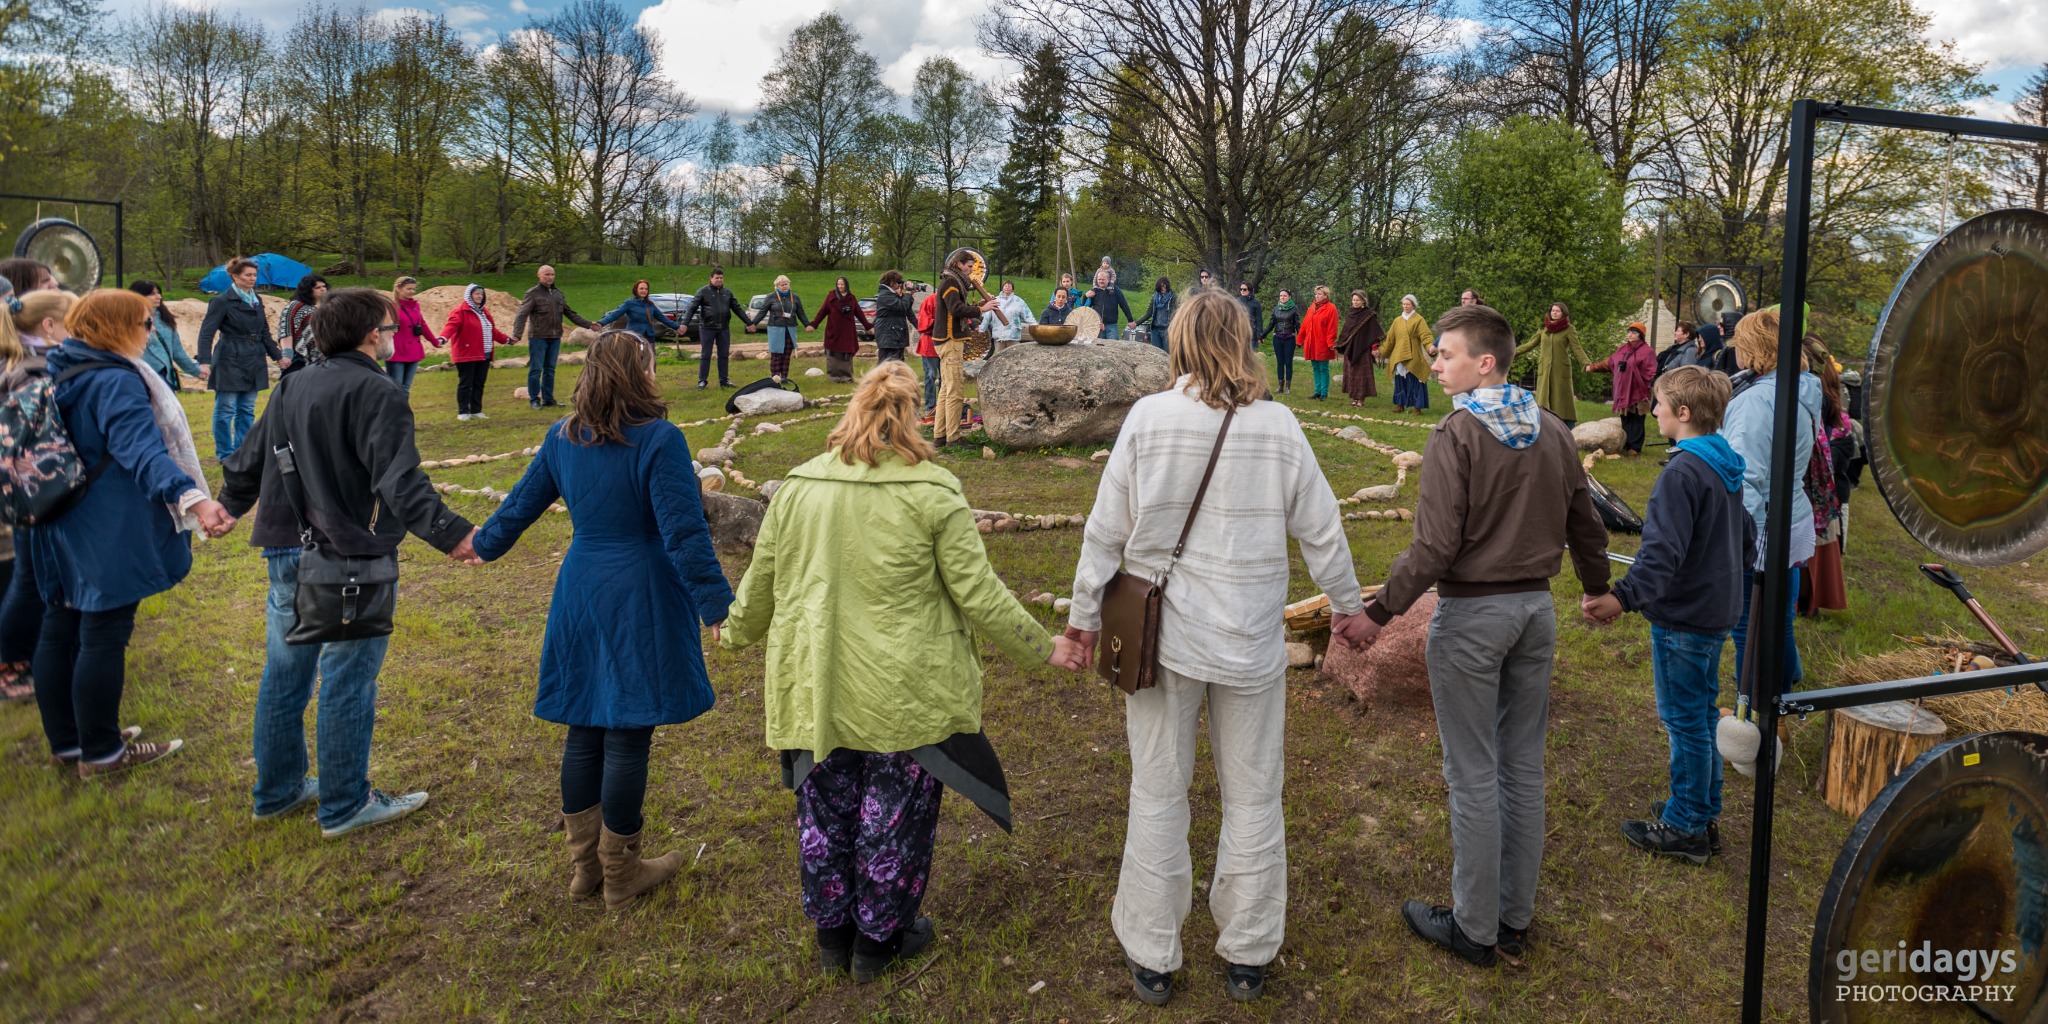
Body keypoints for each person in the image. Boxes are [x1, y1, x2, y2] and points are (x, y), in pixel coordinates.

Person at [725, 361, 1083, 980]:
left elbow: (761, 586)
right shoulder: (933, 490)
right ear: (912, 415)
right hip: (904, 694)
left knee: (826, 809)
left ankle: (836, 938)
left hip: (821, 684)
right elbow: (978, 592)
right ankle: (875, 941)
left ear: (853, 410)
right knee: (893, 815)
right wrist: (1042, 646)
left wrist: (733, 630)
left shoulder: (799, 488)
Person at [1064, 290, 1369, 1006]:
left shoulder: (1152, 419)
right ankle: (1248, 949)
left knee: (1160, 790)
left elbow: (1105, 532)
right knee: (1255, 794)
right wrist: (1349, 607)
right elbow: (1322, 528)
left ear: (1179, 341)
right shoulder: (1278, 425)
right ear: (1244, 341)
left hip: (1167, 641)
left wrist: (1083, 616)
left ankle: (1153, 950)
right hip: (1240, 639)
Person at [1352, 303, 1610, 969]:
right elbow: (1587, 524)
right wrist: (1596, 586)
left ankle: (1475, 928)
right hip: (1535, 614)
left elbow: (1435, 545)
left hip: (1474, 619)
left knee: (1473, 772)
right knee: (1521, 763)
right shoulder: (1552, 429)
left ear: (1485, 361)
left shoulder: (1457, 433)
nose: (1435, 364)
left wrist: (1378, 613)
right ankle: (1513, 917)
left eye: (1446, 354)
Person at [468, 331, 733, 905]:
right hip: (638, 590)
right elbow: (684, 533)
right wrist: (716, 602)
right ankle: (615, 873)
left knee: (585, 729)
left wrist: (484, 543)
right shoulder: (659, 440)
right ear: (643, 372)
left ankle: (588, 869)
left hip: (584, 588)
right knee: (626, 729)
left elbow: (518, 505)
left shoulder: (563, 437)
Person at [220, 286, 468, 835]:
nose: (392, 335)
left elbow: (248, 460)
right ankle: (344, 804)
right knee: (346, 678)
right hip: (346, 551)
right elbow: (399, 481)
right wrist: (454, 534)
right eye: (387, 327)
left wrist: (227, 506)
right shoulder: (377, 391)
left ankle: (279, 790)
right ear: (366, 334)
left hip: (287, 544)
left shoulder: (293, 386)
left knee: (287, 673)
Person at [31, 289, 234, 777]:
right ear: (116, 328)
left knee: (63, 627)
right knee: (103, 633)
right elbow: (140, 450)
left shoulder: (57, 363)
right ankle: (101, 751)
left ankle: (71, 742)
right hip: (105, 523)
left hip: (58, 514)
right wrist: (193, 497)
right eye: (146, 323)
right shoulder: (113, 380)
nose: (152, 332)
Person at [1582, 366, 1753, 864]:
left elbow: (1661, 555)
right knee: (1700, 714)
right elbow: (1743, 538)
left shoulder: (1682, 473)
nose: (1652, 410)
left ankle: (1685, 827)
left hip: (1686, 618)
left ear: (1683, 412)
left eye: (1658, 403)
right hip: (1716, 608)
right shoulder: (1725, 464)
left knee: (1685, 722)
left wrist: (1623, 596)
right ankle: (1700, 808)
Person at [1722, 309, 1821, 699]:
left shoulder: (1757, 401)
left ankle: (1757, 711)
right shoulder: (1803, 387)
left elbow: (1745, 476)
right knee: (1777, 619)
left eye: (1740, 346)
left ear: (1755, 349)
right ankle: (1781, 691)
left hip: (1759, 526)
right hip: (1788, 514)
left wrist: (1731, 539)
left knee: (1749, 624)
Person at [197, 258, 287, 460]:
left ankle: (244, 451)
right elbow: (206, 333)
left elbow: (264, 331)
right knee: (225, 409)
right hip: (229, 356)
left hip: (254, 357)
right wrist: (204, 360)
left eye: (254, 275)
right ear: (235, 276)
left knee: (247, 409)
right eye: (248, 275)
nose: (252, 279)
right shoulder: (221, 301)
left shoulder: (257, 300)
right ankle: (225, 453)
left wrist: (277, 356)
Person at [0, 295, 43, 703]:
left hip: (14, 484)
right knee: (21, 578)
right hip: (15, 484)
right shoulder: (15, 370)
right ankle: (10, 665)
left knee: (19, 575)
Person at [1799, 337, 1849, 617]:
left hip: (1814, 480)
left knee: (1809, 541)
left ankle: (1806, 599)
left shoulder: (1812, 392)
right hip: (1822, 483)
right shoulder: (1824, 389)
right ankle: (1808, 600)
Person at [931, 250, 998, 449]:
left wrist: (979, 304)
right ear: (959, 264)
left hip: (947, 340)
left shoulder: (952, 281)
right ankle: (953, 438)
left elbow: (960, 306)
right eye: (969, 267)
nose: (971, 271)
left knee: (945, 390)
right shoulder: (951, 282)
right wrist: (981, 310)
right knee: (955, 391)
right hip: (950, 341)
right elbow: (956, 309)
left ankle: (940, 435)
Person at [512, 264, 597, 408]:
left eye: (552, 274)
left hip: (555, 337)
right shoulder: (532, 293)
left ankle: (548, 399)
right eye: (547, 274)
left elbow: (570, 313)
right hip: (538, 337)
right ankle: (534, 400)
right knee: (536, 369)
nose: (550, 277)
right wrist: (517, 335)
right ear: (539, 275)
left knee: (550, 369)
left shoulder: (558, 294)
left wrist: (589, 325)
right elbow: (521, 315)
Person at [1514, 302, 1590, 427]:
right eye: (1553, 311)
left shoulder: (1569, 329)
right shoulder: (1544, 328)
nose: (1554, 313)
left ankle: (1566, 427)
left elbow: (1577, 348)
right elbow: (1530, 344)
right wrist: (1513, 352)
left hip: (1560, 370)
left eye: (1557, 311)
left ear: (1563, 313)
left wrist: (1586, 364)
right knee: (1543, 399)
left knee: (1561, 400)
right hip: (1544, 369)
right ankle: (1545, 426)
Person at [442, 284, 510, 421]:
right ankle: (463, 411)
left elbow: (492, 331)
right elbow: (451, 326)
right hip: (467, 354)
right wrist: (443, 338)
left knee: (479, 383)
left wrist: (507, 339)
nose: (480, 296)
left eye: (481, 294)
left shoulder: (484, 312)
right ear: (469, 295)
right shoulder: (460, 311)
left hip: (484, 353)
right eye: (476, 294)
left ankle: (476, 410)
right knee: (466, 383)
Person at [1587, 323, 1657, 455]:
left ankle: (1634, 448)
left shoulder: (1647, 352)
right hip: (1623, 391)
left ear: (1640, 335)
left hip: (1637, 392)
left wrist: (1643, 383)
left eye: (1634, 332)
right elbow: (1609, 363)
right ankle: (1626, 444)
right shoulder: (1622, 349)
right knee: (1626, 417)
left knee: (1637, 418)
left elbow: (1651, 372)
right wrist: (1592, 367)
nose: (1630, 335)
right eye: (1629, 332)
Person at [692, 265, 758, 390]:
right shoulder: (703, 292)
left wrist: (749, 323)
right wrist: (684, 323)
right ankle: (702, 381)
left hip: (723, 328)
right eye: (717, 278)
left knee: (723, 355)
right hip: (707, 328)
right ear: (711, 279)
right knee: (706, 355)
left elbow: (737, 309)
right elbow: (692, 307)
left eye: (721, 278)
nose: (719, 280)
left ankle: (724, 380)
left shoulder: (727, 293)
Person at [131, 281, 205, 392]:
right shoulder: (126, 321)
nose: (158, 297)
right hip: (140, 377)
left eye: (159, 293)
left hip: (165, 376)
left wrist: (196, 371)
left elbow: (177, 351)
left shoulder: (165, 319)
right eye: (152, 294)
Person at [809, 276, 873, 383]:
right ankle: (834, 377)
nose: (840, 286)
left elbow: (860, 314)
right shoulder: (831, 297)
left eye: (842, 284)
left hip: (847, 332)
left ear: (846, 285)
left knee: (846, 354)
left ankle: (846, 377)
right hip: (833, 331)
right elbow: (822, 311)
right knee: (833, 354)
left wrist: (868, 327)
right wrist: (814, 324)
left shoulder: (851, 299)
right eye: (838, 284)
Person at [387, 276, 443, 393]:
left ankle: (404, 411)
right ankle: (394, 411)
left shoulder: (415, 306)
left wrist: (434, 341)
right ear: (398, 289)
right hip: (397, 352)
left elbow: (422, 324)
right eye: (408, 289)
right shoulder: (391, 307)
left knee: (406, 388)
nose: (412, 292)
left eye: (413, 289)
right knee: (396, 388)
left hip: (413, 350)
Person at [1382, 294, 1435, 413]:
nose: (1405, 306)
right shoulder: (1397, 321)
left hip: (1413, 354)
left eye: (1408, 304)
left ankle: (1417, 407)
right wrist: (1382, 351)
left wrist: (1430, 347)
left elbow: (1426, 336)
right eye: (1404, 304)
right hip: (1399, 355)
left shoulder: (1419, 319)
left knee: (1417, 378)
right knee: (1400, 379)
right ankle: (1400, 405)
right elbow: (1390, 339)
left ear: (1413, 305)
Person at [597, 279, 681, 346]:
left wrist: (677, 327)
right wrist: (601, 323)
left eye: (646, 289)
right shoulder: (629, 303)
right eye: (641, 288)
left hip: (649, 337)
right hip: (633, 337)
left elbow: (663, 318)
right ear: (636, 290)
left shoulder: (650, 305)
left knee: (650, 361)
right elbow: (615, 315)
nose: (644, 291)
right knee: (634, 361)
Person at [1336, 290, 1383, 406]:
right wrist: (1341, 344)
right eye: (1353, 300)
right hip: (1351, 348)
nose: (1355, 302)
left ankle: (1361, 399)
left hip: (1363, 349)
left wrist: (1375, 347)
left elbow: (1374, 333)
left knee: (1361, 374)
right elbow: (1346, 331)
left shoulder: (1368, 315)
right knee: (1352, 373)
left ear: (1363, 301)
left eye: (1357, 300)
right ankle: (1354, 398)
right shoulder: (1350, 313)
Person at [759, 276, 808, 382]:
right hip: (775, 328)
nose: (785, 286)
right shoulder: (771, 297)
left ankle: (784, 376)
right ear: (777, 286)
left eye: (786, 284)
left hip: (790, 328)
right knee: (776, 353)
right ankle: (775, 377)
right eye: (782, 285)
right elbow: (762, 312)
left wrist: (807, 324)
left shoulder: (795, 297)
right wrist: (752, 324)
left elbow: (801, 312)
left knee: (787, 353)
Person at [279, 274, 329, 369]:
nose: (323, 289)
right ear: (308, 290)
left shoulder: (329, 306)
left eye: (324, 286)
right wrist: (287, 354)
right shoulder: (295, 306)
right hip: (299, 355)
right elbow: (286, 329)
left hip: (326, 356)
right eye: (318, 287)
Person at [1298, 285, 1339, 400]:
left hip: (1322, 343)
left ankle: (1324, 393)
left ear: (1326, 295)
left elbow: (1332, 327)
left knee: (1323, 367)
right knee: (1315, 367)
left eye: (1319, 294)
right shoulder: (1311, 308)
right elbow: (1305, 325)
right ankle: (1317, 391)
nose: (1317, 296)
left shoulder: (1331, 308)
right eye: (1316, 294)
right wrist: (1300, 339)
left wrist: (1331, 343)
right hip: (1311, 342)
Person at [979, 279, 1034, 355]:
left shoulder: (1019, 301)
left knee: (1014, 358)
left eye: (1009, 286)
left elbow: (1028, 316)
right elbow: (987, 317)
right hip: (999, 336)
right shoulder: (995, 301)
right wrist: (980, 330)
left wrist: (1036, 327)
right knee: (998, 359)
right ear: (1002, 288)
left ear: (1012, 288)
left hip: (1013, 336)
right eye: (1005, 286)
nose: (1007, 287)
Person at [1262, 289, 1301, 392]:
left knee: (1288, 362)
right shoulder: (1276, 309)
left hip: (1289, 337)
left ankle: (1288, 386)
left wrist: (1301, 338)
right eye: (1280, 296)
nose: (1282, 297)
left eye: (1284, 296)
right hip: (1278, 337)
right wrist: (1262, 335)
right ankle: (1280, 386)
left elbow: (1298, 324)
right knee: (1280, 362)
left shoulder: (1294, 309)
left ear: (1289, 297)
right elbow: (1271, 324)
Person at [15, 288, 77, 354]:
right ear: (49, 325)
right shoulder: (44, 362)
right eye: (72, 323)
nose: (76, 331)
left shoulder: (26, 353)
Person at [872, 272, 915, 364]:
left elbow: (905, 309)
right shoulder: (885, 296)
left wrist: (908, 296)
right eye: (898, 282)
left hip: (895, 333)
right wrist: (907, 293)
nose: (899, 285)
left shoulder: (891, 295)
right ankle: (881, 378)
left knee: (897, 362)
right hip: (888, 334)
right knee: (886, 363)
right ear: (892, 282)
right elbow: (902, 306)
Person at [1083, 268, 1134, 340]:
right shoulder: (1094, 291)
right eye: (1099, 279)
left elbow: (1124, 305)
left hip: (1112, 325)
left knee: (1113, 347)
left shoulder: (1115, 290)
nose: (1100, 281)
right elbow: (1085, 308)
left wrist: (1130, 320)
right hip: (1097, 325)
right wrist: (1085, 297)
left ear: (1108, 280)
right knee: (1097, 348)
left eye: (1103, 279)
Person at [1132, 277, 1177, 351]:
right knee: (1156, 353)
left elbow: (1177, 313)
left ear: (1167, 286)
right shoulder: (1154, 297)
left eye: (1164, 286)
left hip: (1168, 330)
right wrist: (1136, 323)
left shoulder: (1173, 297)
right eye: (1161, 286)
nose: (1162, 288)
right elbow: (1148, 313)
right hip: (1155, 331)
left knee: (1168, 354)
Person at [916, 290, 941, 415]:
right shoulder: (930, 300)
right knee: (930, 376)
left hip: (946, 344)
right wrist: (941, 323)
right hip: (930, 343)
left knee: (946, 377)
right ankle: (930, 407)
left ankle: (943, 406)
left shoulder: (953, 298)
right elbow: (923, 322)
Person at [1235, 282, 1263, 348]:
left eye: (1244, 289)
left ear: (1249, 290)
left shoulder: (1256, 303)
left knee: (1251, 355)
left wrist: (1260, 335)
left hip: (1252, 334)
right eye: (1241, 289)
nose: (1242, 291)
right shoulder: (1236, 301)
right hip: (1238, 333)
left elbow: (1259, 320)